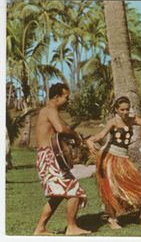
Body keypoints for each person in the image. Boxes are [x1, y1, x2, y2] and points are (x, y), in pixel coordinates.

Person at [86, 95, 141, 229]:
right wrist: (90, 141)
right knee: (111, 189)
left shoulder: (132, 120)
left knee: (137, 184)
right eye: (122, 110)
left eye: (127, 109)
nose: (125, 112)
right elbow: (100, 135)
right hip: (110, 157)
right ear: (116, 109)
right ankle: (112, 219)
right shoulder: (113, 122)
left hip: (123, 158)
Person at [34, 83, 90, 235]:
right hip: (50, 158)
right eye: (66, 97)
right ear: (56, 97)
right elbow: (61, 129)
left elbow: (66, 127)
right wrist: (75, 136)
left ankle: (40, 228)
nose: (68, 100)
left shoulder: (50, 112)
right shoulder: (50, 110)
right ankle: (71, 227)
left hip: (47, 157)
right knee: (74, 191)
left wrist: (77, 137)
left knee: (58, 195)